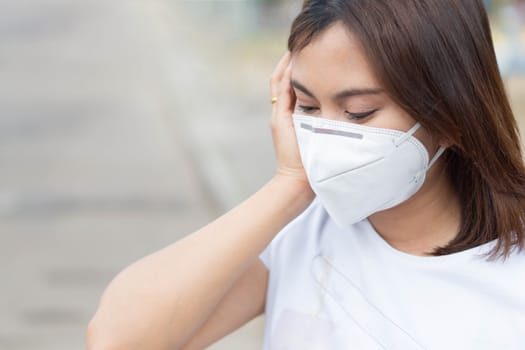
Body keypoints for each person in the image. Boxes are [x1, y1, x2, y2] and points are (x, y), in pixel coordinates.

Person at [86, 0, 525, 349]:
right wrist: (289, 185)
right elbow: (117, 339)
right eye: (308, 107)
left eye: (358, 113)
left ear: (450, 113)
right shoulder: (298, 234)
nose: (328, 133)